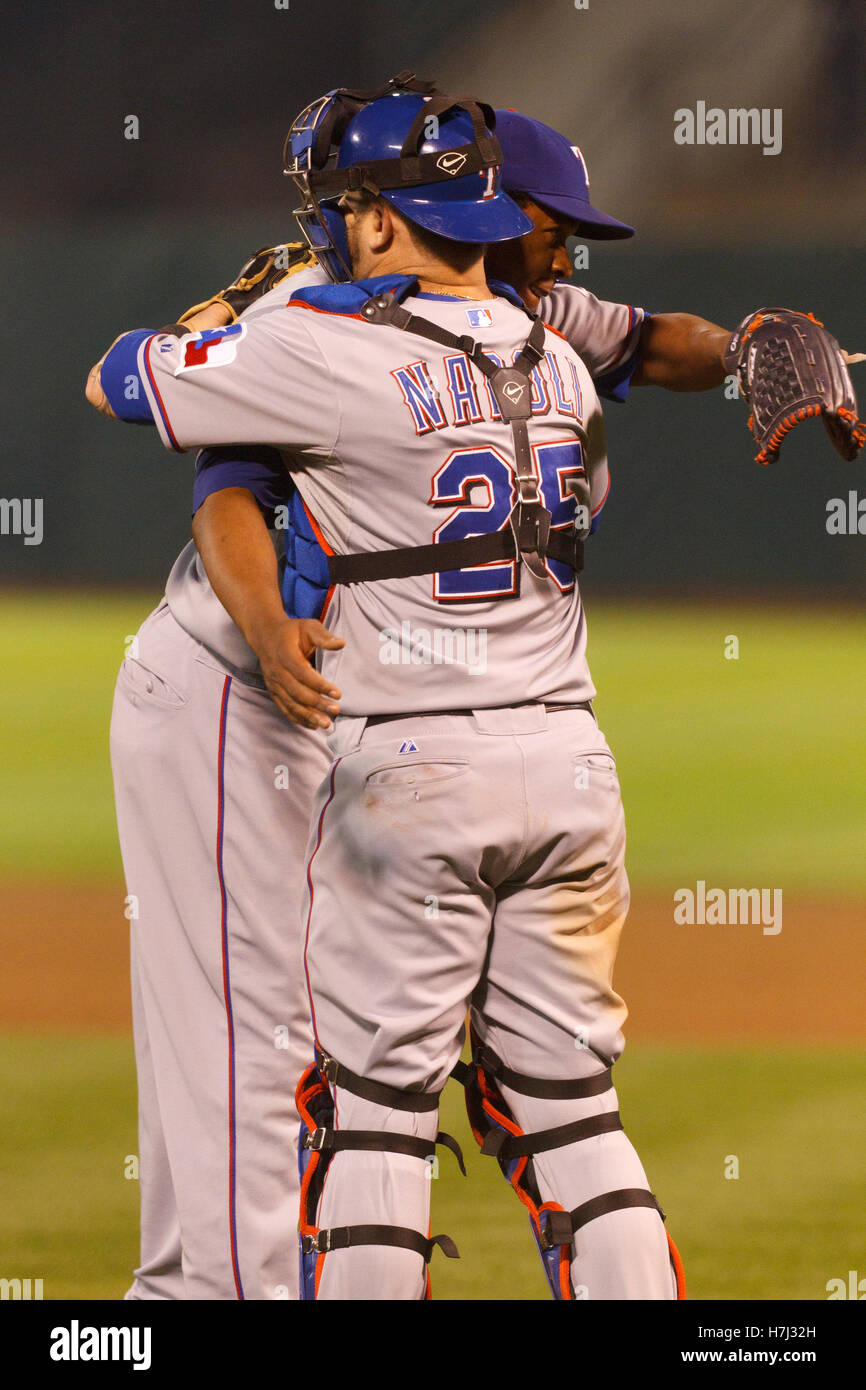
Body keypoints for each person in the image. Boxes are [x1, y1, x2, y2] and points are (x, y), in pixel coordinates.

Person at [87, 81, 687, 1301]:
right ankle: (195, 1290)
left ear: (373, 217)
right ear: (482, 211)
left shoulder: (320, 340)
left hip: (401, 757)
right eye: (546, 222)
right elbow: (233, 491)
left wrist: (228, 314)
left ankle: (217, 1292)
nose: (561, 246)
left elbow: (119, 380)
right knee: (567, 1107)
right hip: (561, 758)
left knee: (364, 1107)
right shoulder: (553, 364)